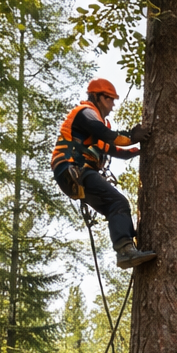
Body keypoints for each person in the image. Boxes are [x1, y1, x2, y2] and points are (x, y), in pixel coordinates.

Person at [51, 78, 154, 269]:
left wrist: (141, 148)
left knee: (113, 206)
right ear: (97, 97)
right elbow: (106, 134)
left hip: (74, 173)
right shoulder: (86, 113)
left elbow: (114, 149)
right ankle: (125, 251)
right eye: (110, 99)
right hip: (73, 168)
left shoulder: (91, 131)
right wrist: (131, 136)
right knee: (118, 202)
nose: (112, 105)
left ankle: (128, 245)